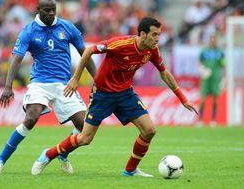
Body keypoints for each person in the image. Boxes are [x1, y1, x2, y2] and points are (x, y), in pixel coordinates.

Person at [31, 17, 198, 177]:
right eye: (154, 34)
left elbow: (164, 73)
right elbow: (89, 50)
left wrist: (183, 98)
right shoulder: (120, 44)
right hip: (103, 94)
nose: (157, 39)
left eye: (159, 34)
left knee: (149, 130)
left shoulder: (152, 50)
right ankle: (48, 154)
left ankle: (130, 170)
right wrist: (75, 78)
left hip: (125, 94)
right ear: (142, 34)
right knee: (85, 138)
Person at [0, 0, 97, 175]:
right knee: (30, 119)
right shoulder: (29, 30)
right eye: (47, 10)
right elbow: (16, 59)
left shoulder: (67, 27)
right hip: (40, 83)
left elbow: (84, 54)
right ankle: (0, 160)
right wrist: (8, 86)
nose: (51, 13)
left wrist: (99, 79)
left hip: (64, 85)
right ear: (38, 10)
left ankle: (62, 155)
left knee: (83, 127)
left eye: (53, 10)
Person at [198, 34, 225, 127]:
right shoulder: (204, 51)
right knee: (203, 99)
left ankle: (213, 120)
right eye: (211, 40)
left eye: (214, 40)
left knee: (214, 100)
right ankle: (200, 120)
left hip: (215, 78)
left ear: (216, 41)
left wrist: (223, 77)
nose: (212, 41)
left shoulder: (220, 52)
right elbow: (200, 62)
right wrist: (202, 70)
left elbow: (223, 64)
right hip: (206, 78)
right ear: (209, 41)